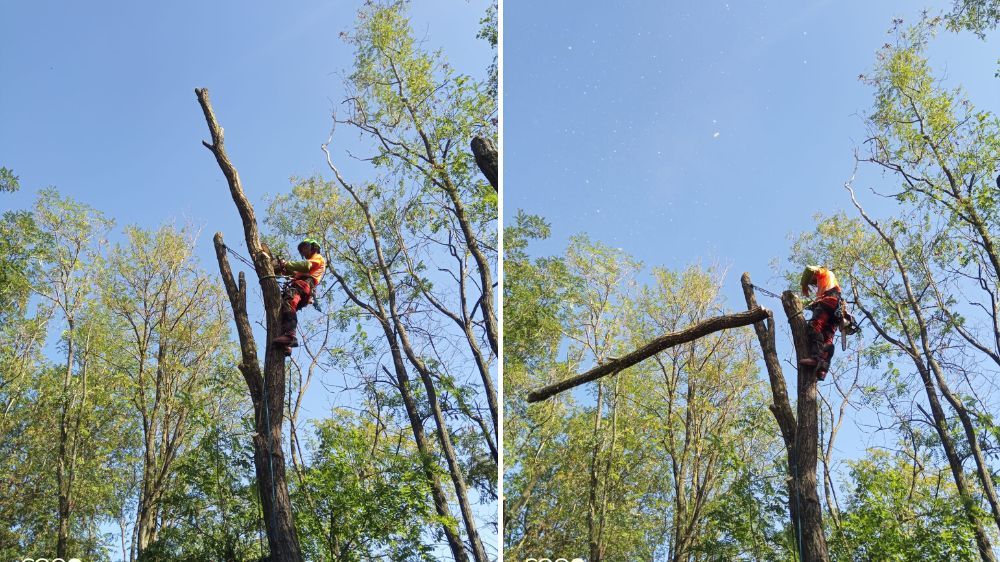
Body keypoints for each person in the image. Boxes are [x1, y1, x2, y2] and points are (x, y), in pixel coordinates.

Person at [271, 238, 326, 355]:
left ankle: (290, 336)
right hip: (303, 286)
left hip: (304, 284)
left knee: (289, 303)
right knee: (284, 310)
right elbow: (295, 272)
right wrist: (282, 268)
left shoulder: (317, 258)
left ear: (313, 247)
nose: (302, 251)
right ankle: (286, 344)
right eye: (301, 250)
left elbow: (306, 266)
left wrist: (286, 263)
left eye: (304, 248)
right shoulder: (307, 264)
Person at [798, 265, 843, 381]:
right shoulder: (828, 285)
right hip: (835, 309)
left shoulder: (824, 272)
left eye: (813, 281)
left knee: (814, 326)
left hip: (830, 302)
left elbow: (808, 268)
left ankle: (816, 358)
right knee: (827, 337)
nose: (814, 283)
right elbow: (818, 302)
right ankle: (822, 369)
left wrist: (804, 285)